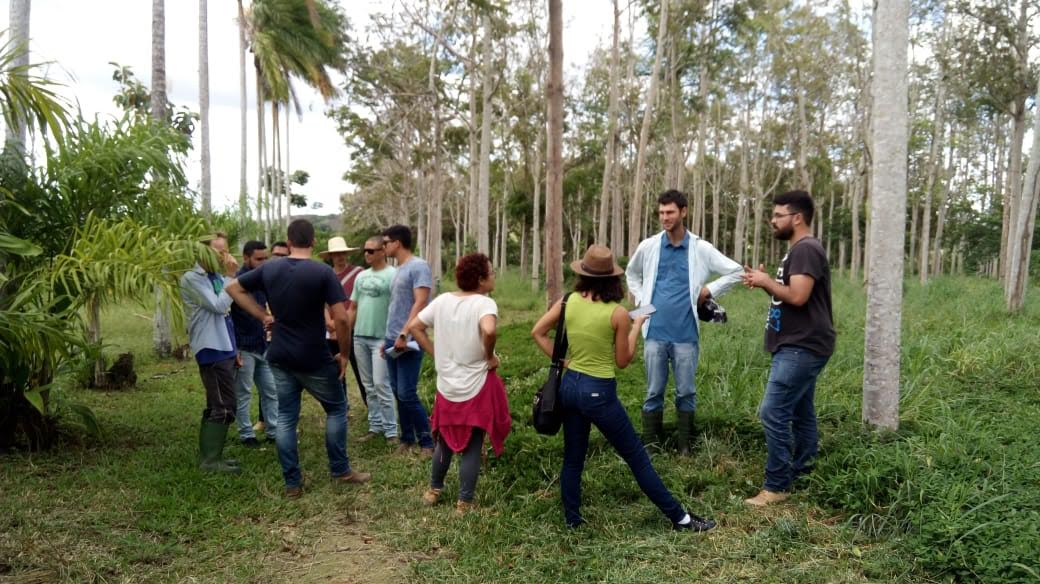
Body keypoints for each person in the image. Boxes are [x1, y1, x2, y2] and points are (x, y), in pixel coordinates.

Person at [531, 245, 716, 531]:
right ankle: (680, 518)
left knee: (573, 459)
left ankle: (572, 521)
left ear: (583, 275)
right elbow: (623, 360)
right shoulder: (617, 313)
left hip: (570, 387)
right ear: (612, 279)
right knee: (637, 459)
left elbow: (538, 332)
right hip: (599, 393)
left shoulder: (567, 301)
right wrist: (636, 325)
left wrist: (566, 362)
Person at [226, 219, 371, 498]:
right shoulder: (322, 272)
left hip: (280, 354)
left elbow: (233, 288)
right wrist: (343, 353)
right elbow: (341, 318)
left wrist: (263, 315)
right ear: (314, 242)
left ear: (289, 241)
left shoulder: (270, 268)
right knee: (336, 409)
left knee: (285, 417)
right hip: (314, 355)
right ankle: (340, 470)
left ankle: (292, 483)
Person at [625, 189, 743, 455]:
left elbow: (736, 271)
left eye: (670, 212)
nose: (665, 217)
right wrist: (642, 301)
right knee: (653, 391)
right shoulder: (649, 246)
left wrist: (709, 290)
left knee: (686, 392)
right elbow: (631, 274)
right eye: (661, 213)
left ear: (683, 212)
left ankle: (685, 446)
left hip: (686, 334)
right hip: (654, 331)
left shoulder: (700, 248)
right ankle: (652, 445)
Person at [741, 190, 835, 506]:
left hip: (801, 345)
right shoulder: (799, 249)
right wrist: (764, 282)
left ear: (797, 218)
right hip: (799, 343)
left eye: (778, 215)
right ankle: (804, 471)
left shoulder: (806, 249)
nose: (773, 220)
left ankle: (777, 485)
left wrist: (767, 281)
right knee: (800, 410)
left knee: (773, 411)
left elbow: (798, 296)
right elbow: (790, 295)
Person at [407, 253, 511, 514]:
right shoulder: (484, 303)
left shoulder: (442, 301)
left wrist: (436, 353)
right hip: (475, 385)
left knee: (443, 439)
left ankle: (433, 490)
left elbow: (415, 326)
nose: (494, 276)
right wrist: (489, 355)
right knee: (473, 444)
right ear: (481, 279)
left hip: (447, 385)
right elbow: (489, 330)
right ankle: (464, 502)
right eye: (491, 272)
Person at [180, 232, 241, 474]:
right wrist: (231, 277)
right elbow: (218, 305)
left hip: (224, 346)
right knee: (224, 406)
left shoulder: (215, 277)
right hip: (211, 347)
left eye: (225, 250)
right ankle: (210, 461)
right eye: (219, 251)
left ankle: (211, 456)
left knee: (218, 404)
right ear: (202, 251)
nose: (224, 256)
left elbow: (227, 317)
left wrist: (234, 348)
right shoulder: (191, 278)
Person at [381, 224, 435, 456]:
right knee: (396, 391)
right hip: (393, 338)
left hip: (409, 339)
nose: (383, 247)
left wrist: (405, 332)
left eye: (385, 242)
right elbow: (396, 306)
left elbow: (420, 302)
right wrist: (388, 338)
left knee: (406, 392)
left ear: (397, 243)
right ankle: (407, 438)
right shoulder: (399, 269)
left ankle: (427, 441)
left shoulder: (419, 266)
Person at [347, 236, 398, 444]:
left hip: (381, 339)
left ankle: (391, 431)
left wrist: (392, 336)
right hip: (359, 337)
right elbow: (353, 307)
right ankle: (375, 426)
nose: (366, 254)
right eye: (365, 250)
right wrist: (345, 332)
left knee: (381, 384)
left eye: (371, 250)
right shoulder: (361, 276)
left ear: (382, 251)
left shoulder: (394, 275)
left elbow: (397, 308)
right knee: (368, 385)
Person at [230, 240, 278, 447]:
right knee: (244, 393)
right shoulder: (236, 283)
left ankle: (274, 431)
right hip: (243, 346)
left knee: (271, 391)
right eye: (259, 259)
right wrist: (234, 349)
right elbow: (227, 318)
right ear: (246, 258)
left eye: (266, 258)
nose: (263, 262)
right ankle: (246, 434)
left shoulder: (263, 280)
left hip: (262, 345)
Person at [320, 237, 363, 393]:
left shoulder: (359, 273)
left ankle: (370, 403)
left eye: (343, 253)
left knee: (362, 374)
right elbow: (322, 302)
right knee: (336, 373)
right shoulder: (325, 275)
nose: (340, 257)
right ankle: (341, 404)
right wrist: (329, 323)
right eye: (336, 254)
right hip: (331, 330)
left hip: (353, 329)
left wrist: (343, 326)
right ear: (331, 256)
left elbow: (359, 303)